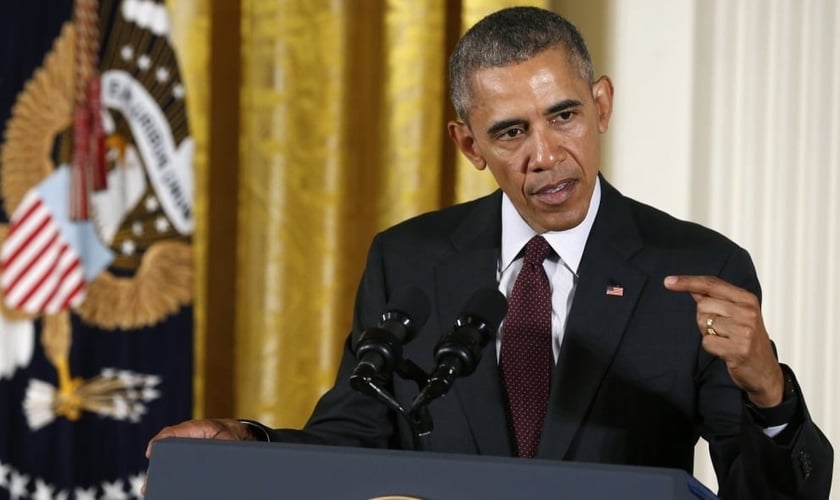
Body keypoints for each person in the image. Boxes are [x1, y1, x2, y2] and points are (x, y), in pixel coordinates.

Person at [145, 6, 833, 498]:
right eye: (510, 132)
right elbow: (354, 438)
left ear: (601, 105)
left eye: (564, 115)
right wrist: (246, 443)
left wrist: (768, 389)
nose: (546, 154)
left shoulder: (695, 267)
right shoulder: (409, 260)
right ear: (469, 145)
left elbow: (770, 493)